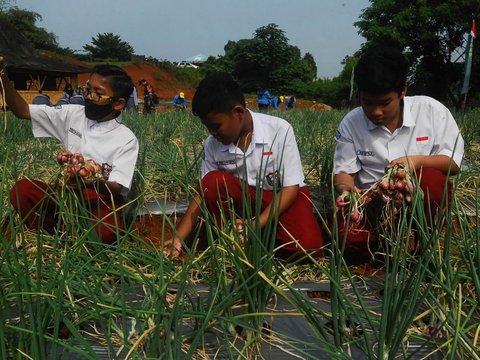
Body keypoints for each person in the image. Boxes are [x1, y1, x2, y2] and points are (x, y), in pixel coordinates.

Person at [164, 72, 324, 258]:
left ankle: (260, 236)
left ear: (238, 112)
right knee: (212, 181)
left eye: (216, 126)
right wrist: (178, 237)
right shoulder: (212, 143)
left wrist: (255, 224)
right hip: (244, 202)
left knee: (308, 249)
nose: (212, 133)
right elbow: (204, 191)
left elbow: (291, 188)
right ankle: (235, 241)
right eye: (207, 127)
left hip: (279, 198)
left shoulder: (279, 129)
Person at [332, 46, 464, 263]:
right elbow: (343, 172)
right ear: (359, 96)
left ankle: (424, 244)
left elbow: (453, 163)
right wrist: (348, 190)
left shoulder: (431, 111)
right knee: (350, 246)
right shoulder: (351, 122)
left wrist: (417, 161)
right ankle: (381, 243)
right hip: (372, 203)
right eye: (367, 103)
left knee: (432, 179)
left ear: (403, 91)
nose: (376, 112)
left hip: (416, 201)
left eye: (385, 103)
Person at [1, 56, 139, 244]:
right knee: (22, 191)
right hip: (65, 194)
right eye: (88, 90)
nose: (89, 98)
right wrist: (2, 75)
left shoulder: (126, 139)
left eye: (97, 94)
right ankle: (59, 233)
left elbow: (116, 187)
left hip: (97, 201)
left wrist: (90, 177)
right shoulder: (72, 114)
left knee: (106, 233)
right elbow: (23, 111)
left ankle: (71, 233)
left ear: (118, 103)